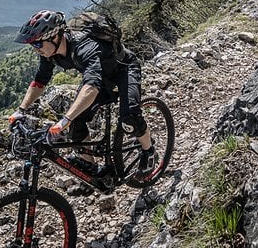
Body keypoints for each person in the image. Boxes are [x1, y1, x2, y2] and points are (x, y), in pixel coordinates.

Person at [11, 9, 153, 179]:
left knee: (129, 118)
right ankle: (91, 169)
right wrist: (21, 110)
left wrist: (65, 119)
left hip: (123, 70)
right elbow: (40, 81)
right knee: (76, 121)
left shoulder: (85, 47)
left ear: (55, 37)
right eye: (33, 45)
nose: (36, 49)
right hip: (101, 78)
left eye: (38, 44)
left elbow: (92, 87)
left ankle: (148, 151)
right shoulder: (50, 54)